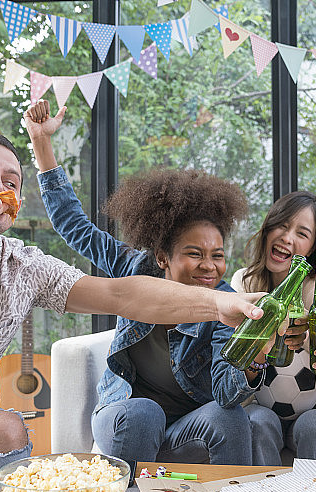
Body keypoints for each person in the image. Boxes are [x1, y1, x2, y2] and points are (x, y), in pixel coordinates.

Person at [0, 125, 264, 492]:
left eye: (11, 182)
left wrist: (219, 306)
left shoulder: (26, 269)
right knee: (141, 410)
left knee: (6, 429)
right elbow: (77, 226)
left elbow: (119, 295)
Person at [25, 100, 265, 465]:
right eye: (194, 253)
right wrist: (42, 145)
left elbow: (223, 392)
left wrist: (252, 360)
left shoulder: (225, 304)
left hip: (186, 426)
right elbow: (74, 226)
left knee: (228, 415)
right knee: (143, 413)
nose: (209, 266)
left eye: (217, 255)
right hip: (126, 414)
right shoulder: (133, 268)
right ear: (163, 257)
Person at [231, 191, 316, 465]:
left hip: (312, 409)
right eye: (281, 225)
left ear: (313, 247)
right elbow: (231, 353)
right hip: (259, 406)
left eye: (302, 233)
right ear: (268, 229)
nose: (287, 237)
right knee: (258, 423)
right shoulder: (244, 281)